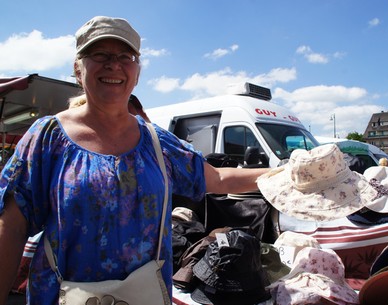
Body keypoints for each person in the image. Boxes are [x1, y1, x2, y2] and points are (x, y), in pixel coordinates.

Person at [0, 16, 269, 305]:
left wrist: (291, 174)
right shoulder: (47, 137)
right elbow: (12, 227)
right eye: (99, 54)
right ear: (79, 69)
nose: (113, 64)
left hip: (144, 295)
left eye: (125, 56)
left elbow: (217, 179)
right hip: (61, 295)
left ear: (137, 72)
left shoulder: (157, 142)